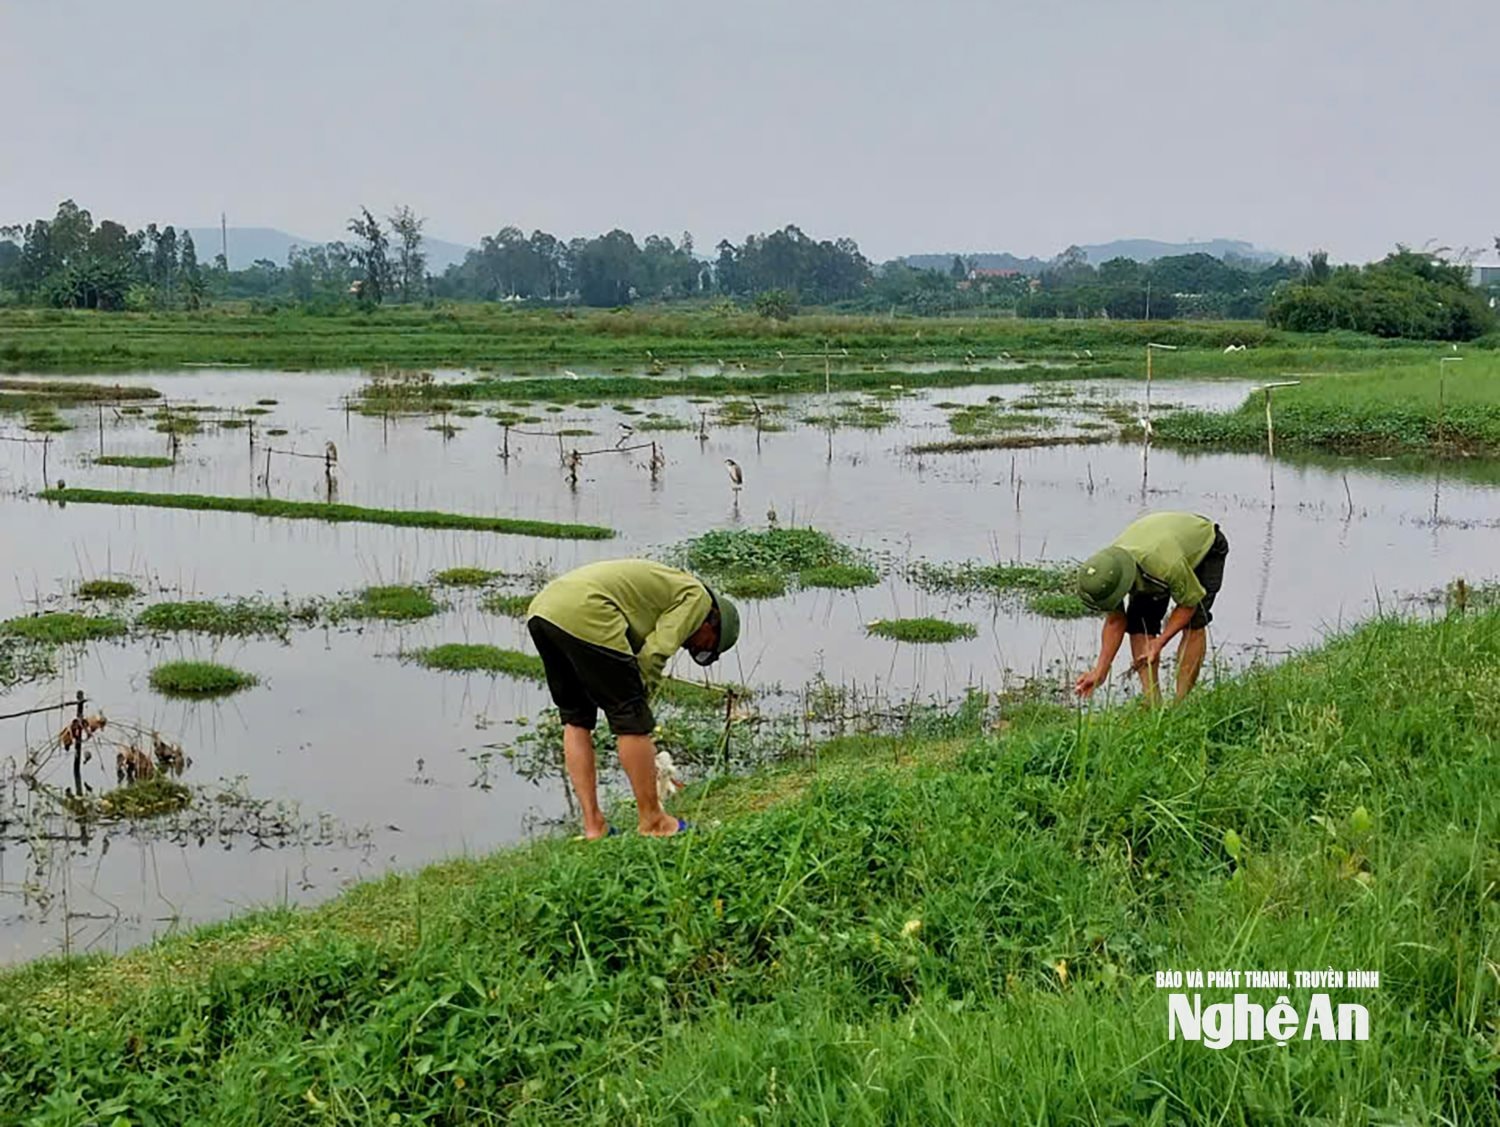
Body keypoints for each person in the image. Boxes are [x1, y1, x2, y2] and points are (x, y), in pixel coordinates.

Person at [526, 559, 740, 838]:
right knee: (630, 719)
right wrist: (638, 706)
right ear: (713, 622)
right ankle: (654, 822)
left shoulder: (673, 587)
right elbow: (654, 653)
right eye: (707, 647)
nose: (694, 648)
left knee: (576, 719)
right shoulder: (698, 599)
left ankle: (594, 827)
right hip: (587, 610)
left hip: (543, 611)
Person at [1073, 511, 1229, 703]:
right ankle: (1153, 703)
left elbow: (1188, 605)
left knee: (1194, 623)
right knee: (1140, 625)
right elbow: (1115, 621)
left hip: (1204, 546)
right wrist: (1100, 671)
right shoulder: (1108, 574)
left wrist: (1160, 642)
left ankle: (1180, 704)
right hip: (1155, 547)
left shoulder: (1166, 565)